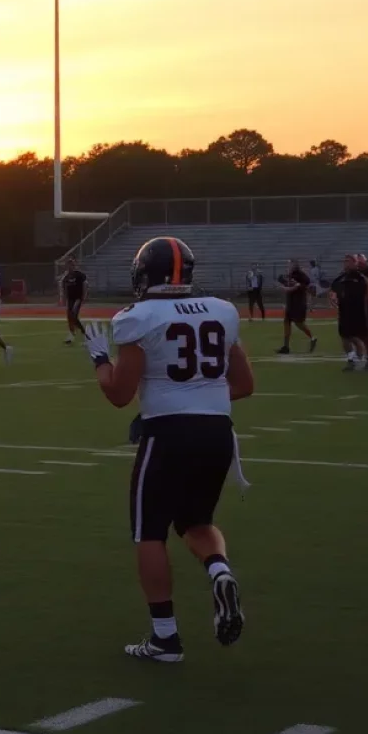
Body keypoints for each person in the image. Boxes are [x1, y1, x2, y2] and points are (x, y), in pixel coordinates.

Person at [83, 237, 253, 663]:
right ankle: (218, 568)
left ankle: (165, 639)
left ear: (145, 274)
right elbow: (244, 385)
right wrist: (197, 400)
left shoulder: (137, 317)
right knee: (197, 520)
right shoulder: (222, 310)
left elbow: (119, 394)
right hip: (217, 432)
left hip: (168, 436)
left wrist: (100, 359)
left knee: (150, 531)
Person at [330, 254, 368, 371]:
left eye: (348, 261)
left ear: (355, 263)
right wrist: (334, 297)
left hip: (358, 312)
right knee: (345, 337)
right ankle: (352, 360)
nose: (345, 264)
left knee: (363, 336)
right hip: (344, 312)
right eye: (345, 261)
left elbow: (367, 294)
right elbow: (333, 290)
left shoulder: (361, 278)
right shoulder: (341, 278)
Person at [276, 259, 316, 355]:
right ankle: (286, 346)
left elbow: (292, 288)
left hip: (298, 304)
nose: (288, 267)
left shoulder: (300, 276)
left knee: (299, 324)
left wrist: (282, 287)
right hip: (291, 304)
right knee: (286, 322)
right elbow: (289, 283)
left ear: (295, 265)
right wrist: (283, 281)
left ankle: (312, 337)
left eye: (290, 265)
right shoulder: (292, 276)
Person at [59, 257, 88, 345]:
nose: (70, 267)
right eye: (68, 265)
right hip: (70, 299)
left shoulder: (79, 275)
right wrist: (62, 298)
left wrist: (84, 295)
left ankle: (85, 335)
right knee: (69, 317)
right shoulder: (66, 277)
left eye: (71, 265)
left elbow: (85, 284)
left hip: (78, 298)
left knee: (74, 316)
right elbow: (63, 287)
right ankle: (71, 335)